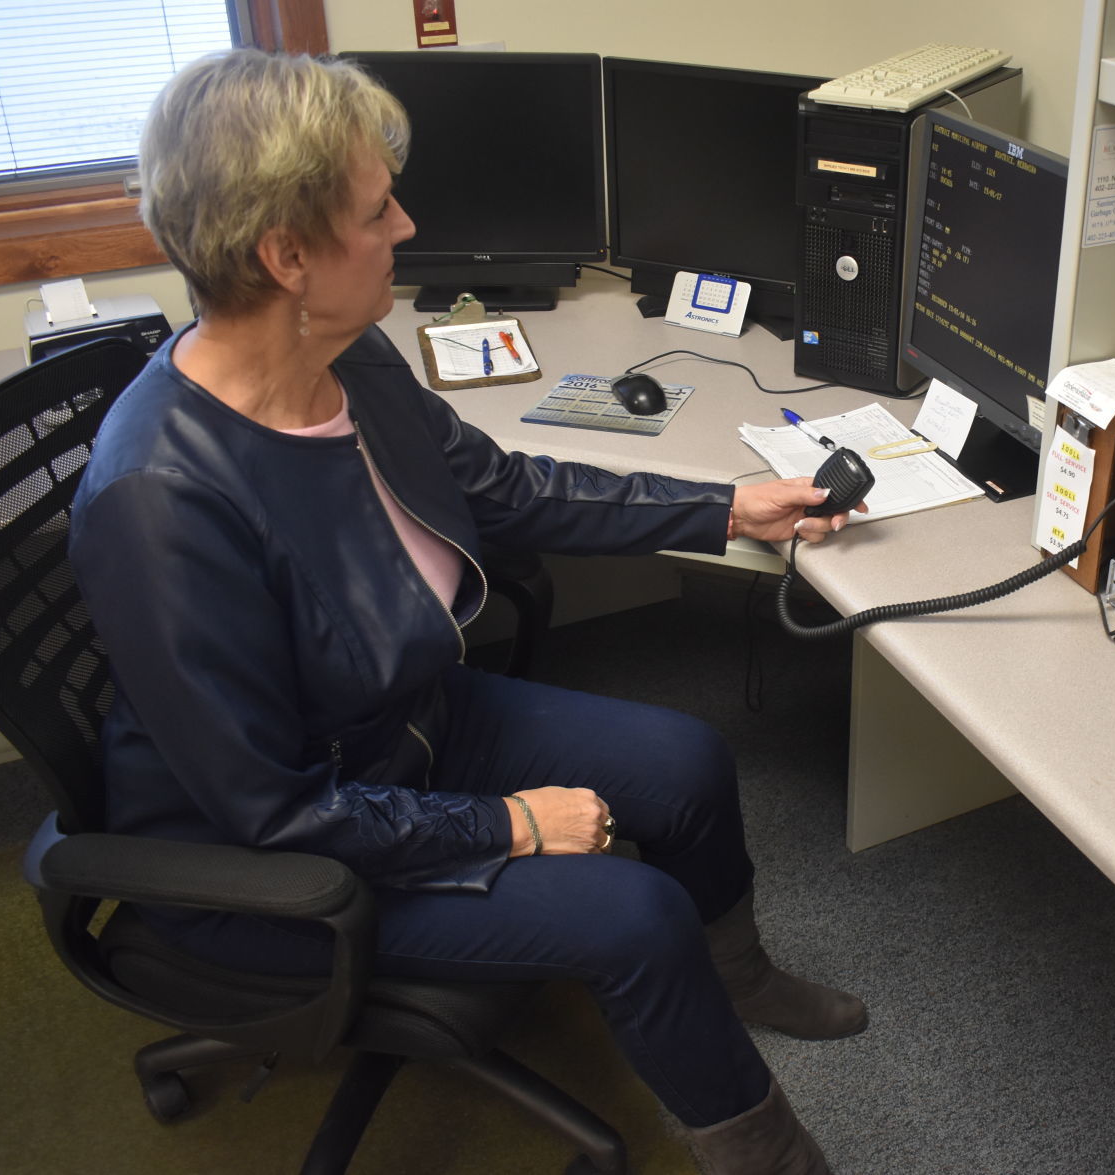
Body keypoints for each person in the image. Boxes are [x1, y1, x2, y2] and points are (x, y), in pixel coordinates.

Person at [69, 48, 866, 1175]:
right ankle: (770, 1158)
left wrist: (727, 506)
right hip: (283, 858)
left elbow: (503, 488)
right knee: (631, 916)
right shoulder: (159, 502)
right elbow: (271, 811)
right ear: (286, 255)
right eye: (374, 206)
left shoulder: (350, 356)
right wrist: (511, 824)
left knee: (685, 759)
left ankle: (733, 983)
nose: (405, 223)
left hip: (397, 726)